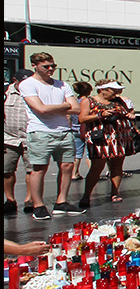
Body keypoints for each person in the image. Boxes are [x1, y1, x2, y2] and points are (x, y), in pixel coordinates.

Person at [20, 52, 85, 219]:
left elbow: (76, 109)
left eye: (53, 66)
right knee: (39, 169)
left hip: (63, 131)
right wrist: (64, 106)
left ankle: (61, 202)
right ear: (34, 66)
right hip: (41, 131)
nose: (50, 69)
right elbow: (40, 109)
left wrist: (51, 107)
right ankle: (38, 205)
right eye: (46, 66)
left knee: (67, 166)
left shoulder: (62, 85)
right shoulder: (28, 84)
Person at [77, 81, 137, 207]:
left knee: (117, 165)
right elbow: (82, 118)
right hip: (100, 137)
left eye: (118, 90)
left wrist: (130, 115)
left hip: (119, 137)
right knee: (97, 166)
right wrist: (100, 115)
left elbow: (128, 112)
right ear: (102, 90)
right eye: (113, 90)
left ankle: (115, 192)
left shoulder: (118, 100)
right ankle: (86, 195)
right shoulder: (89, 101)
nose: (117, 93)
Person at [4, 69, 34, 216]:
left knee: (32, 170)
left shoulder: (34, 91)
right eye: (21, 81)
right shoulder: (5, 93)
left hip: (30, 137)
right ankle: (10, 200)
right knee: (6, 170)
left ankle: (30, 199)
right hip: (9, 138)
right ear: (15, 81)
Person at [69, 81, 92, 182]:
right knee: (89, 153)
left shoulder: (74, 101)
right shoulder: (88, 102)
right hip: (86, 128)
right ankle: (92, 172)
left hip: (75, 128)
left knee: (77, 153)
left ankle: (74, 173)